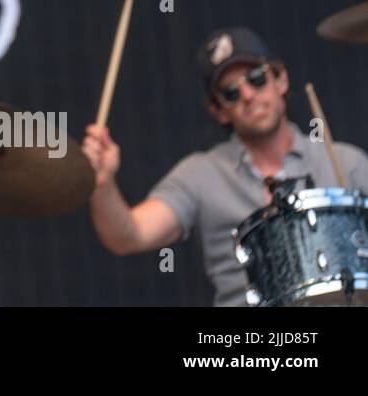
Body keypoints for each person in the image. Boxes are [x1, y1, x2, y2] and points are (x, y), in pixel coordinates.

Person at [82, 26, 368, 305]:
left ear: (280, 80)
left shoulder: (343, 160)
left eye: (256, 78)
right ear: (218, 110)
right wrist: (102, 183)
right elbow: (129, 235)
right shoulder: (199, 174)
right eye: (230, 92)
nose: (247, 95)